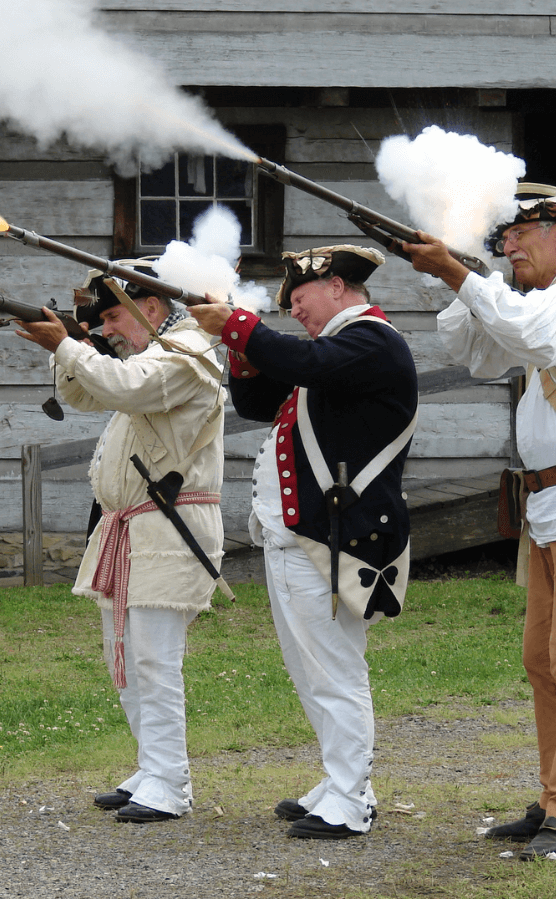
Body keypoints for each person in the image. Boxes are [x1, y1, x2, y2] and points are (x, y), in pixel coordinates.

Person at [404, 183, 556, 860]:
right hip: (548, 504)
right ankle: (554, 793)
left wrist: (457, 271)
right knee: (542, 658)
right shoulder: (544, 297)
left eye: (521, 235)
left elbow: (527, 332)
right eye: (503, 238)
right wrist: (464, 279)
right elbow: (475, 353)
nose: (509, 247)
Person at [189, 245, 418, 840]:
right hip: (305, 535)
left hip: (331, 536)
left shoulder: (370, 340)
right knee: (313, 669)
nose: (294, 313)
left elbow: (303, 362)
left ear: (337, 287)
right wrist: (242, 349)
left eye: (300, 299)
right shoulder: (336, 351)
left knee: (334, 670)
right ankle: (343, 780)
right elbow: (261, 400)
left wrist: (239, 324)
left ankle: (351, 796)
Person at [15, 269, 225, 824]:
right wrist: (68, 346)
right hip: (136, 527)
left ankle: (171, 783)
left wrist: (65, 342)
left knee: (154, 661)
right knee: (126, 658)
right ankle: (152, 767)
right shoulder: (148, 357)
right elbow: (84, 391)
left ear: (151, 307)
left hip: (168, 526)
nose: (106, 329)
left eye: (113, 316)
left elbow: (122, 386)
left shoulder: (186, 355)